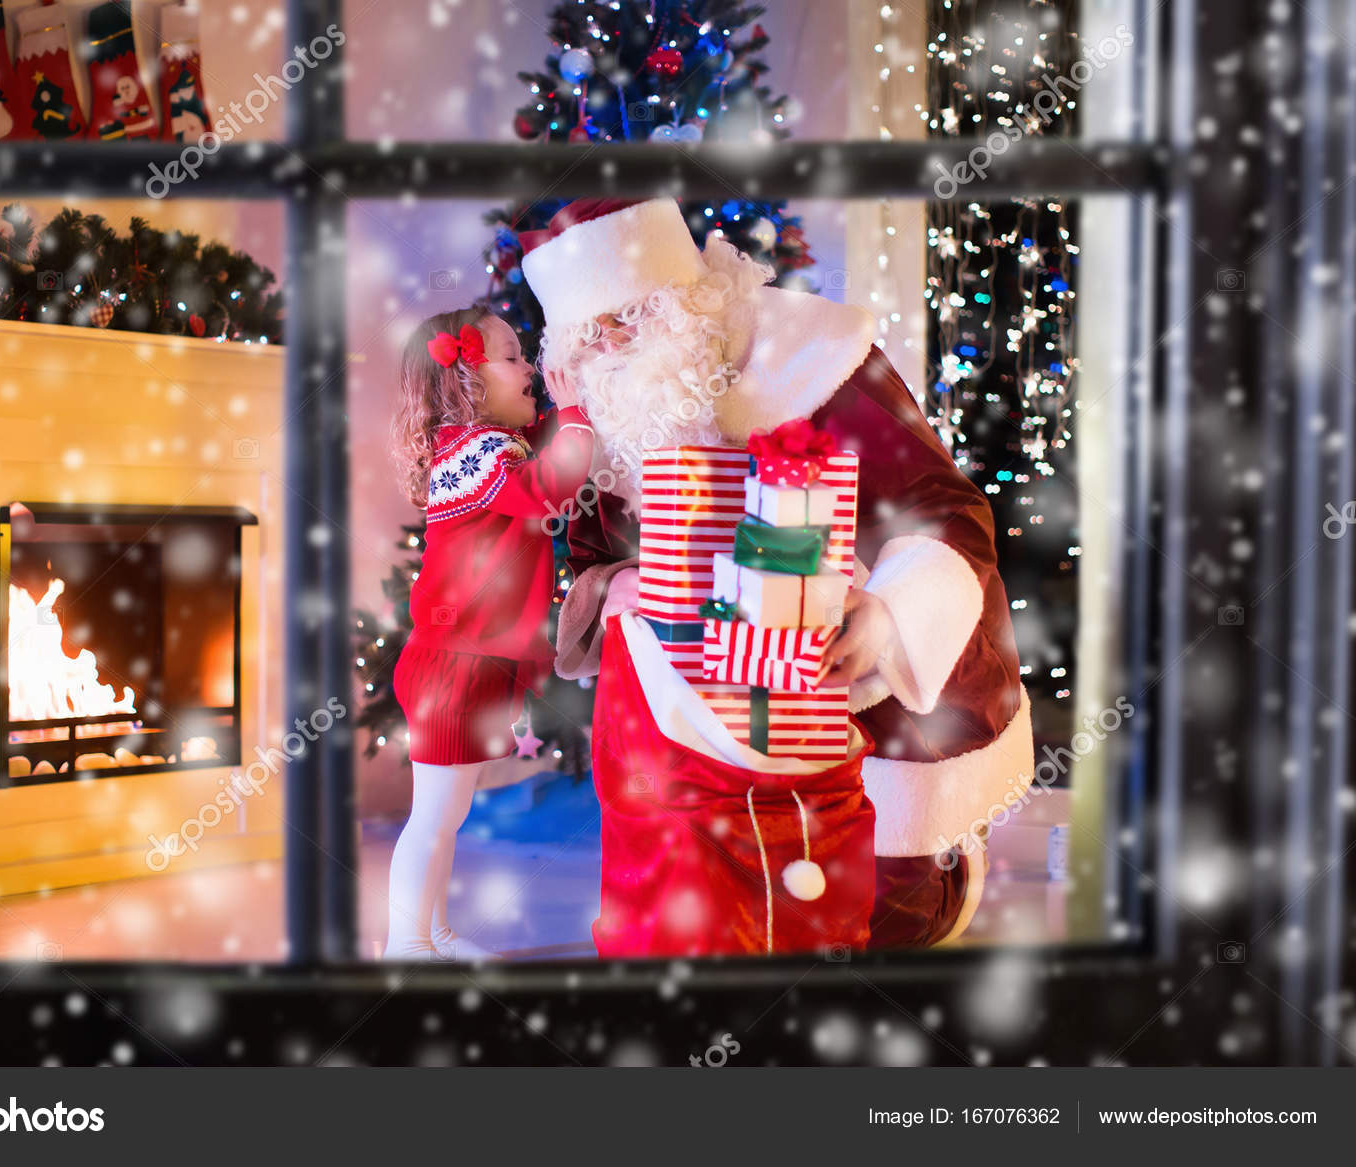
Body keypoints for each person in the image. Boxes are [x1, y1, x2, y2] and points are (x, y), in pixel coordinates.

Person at [523, 198, 1034, 952]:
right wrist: (611, 590)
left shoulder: (817, 357)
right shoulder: (602, 412)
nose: (614, 344)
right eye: (591, 333)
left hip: (854, 710)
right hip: (696, 746)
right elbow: (592, 558)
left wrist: (888, 615)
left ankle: (936, 869)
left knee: (878, 916)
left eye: (629, 316)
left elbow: (946, 509)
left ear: (681, 292)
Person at [383, 309, 595, 960]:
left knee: (447, 817)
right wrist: (579, 412)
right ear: (466, 380)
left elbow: (533, 447)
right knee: (434, 818)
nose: (529, 366)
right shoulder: (478, 452)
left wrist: (558, 404)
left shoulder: (478, 446)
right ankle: (405, 941)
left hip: (468, 660)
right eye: (511, 356)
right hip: (453, 667)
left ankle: (434, 931)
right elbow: (549, 487)